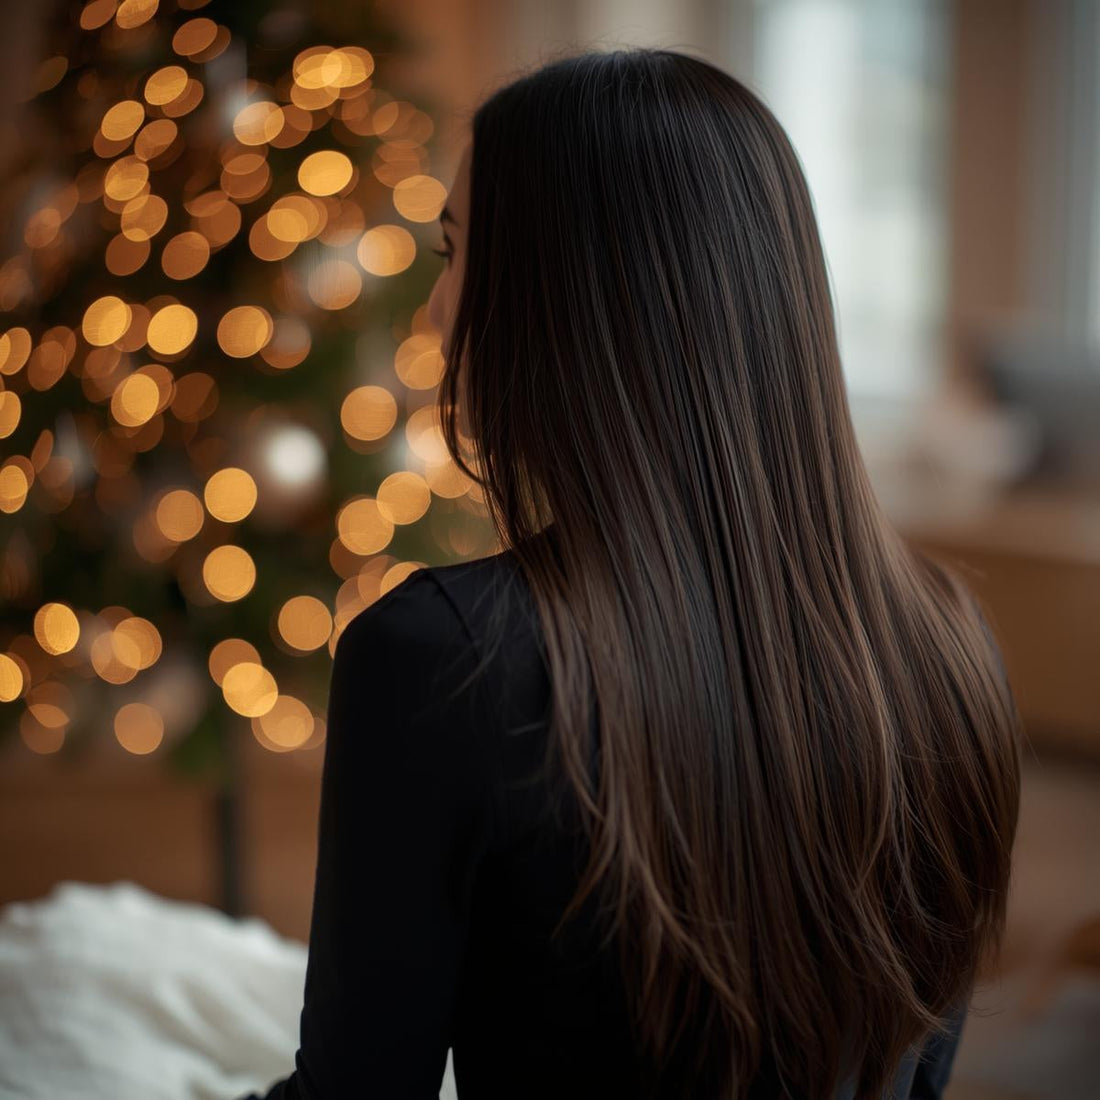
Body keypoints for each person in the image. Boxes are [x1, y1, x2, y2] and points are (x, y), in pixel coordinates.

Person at [240, 47, 1022, 1100]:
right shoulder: (951, 645)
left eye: (454, 251)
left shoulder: (438, 659)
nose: (432, 316)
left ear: (559, 300)